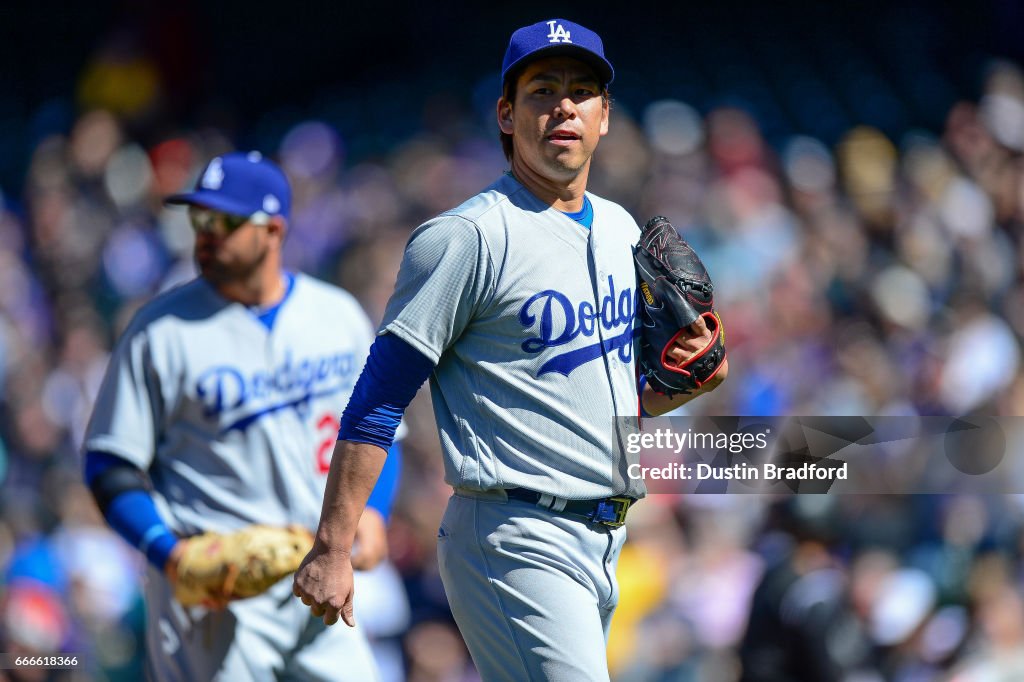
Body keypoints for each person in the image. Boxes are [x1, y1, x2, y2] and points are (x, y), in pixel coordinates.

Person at [293, 18, 727, 681]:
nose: (564, 107)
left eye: (582, 91)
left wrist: (680, 388)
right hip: (514, 533)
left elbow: (599, 406)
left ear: (604, 116)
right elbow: (378, 399)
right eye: (542, 90)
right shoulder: (465, 238)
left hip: (607, 533)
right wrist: (333, 545)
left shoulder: (619, 230)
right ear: (506, 112)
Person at [81, 151, 402, 681]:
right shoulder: (158, 331)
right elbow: (109, 464)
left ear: (274, 229)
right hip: (216, 595)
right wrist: (169, 555)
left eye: (225, 221)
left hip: (318, 573)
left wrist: (376, 512)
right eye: (198, 219)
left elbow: (378, 433)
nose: (206, 233)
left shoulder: (334, 313)